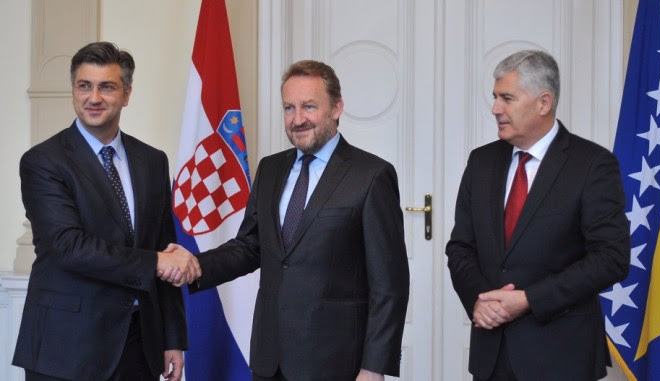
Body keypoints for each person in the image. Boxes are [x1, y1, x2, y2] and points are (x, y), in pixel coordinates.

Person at [160, 60, 410, 381]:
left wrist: (374, 366)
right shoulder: (271, 169)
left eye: (309, 106)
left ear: (336, 108)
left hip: (335, 362)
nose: (297, 119)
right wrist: (194, 265)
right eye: (289, 108)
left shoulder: (371, 175)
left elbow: (390, 283)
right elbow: (249, 247)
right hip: (270, 357)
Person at [13, 41, 200, 381]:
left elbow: (165, 245)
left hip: (138, 346)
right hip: (66, 349)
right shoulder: (43, 162)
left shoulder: (152, 161)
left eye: (107, 87)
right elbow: (69, 247)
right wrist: (155, 261)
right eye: (84, 86)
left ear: (126, 94)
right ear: (73, 90)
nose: (94, 97)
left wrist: (172, 338)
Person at [445, 50, 630, 381]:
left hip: (562, 355)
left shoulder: (592, 165)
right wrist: (479, 302)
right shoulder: (481, 162)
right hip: (493, 353)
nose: (495, 109)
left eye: (507, 98)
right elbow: (460, 247)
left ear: (543, 103)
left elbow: (611, 258)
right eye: (495, 97)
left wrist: (529, 299)